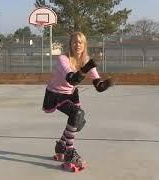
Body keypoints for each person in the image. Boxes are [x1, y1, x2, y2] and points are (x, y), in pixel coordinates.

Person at [42, 32, 114, 169]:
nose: (77, 45)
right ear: (70, 44)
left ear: (84, 45)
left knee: (78, 122)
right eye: (74, 42)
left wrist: (106, 84)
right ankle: (69, 152)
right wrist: (89, 66)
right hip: (55, 93)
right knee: (77, 114)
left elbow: (98, 85)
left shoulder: (85, 60)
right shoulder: (63, 59)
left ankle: (61, 145)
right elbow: (72, 79)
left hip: (70, 93)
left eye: (80, 42)